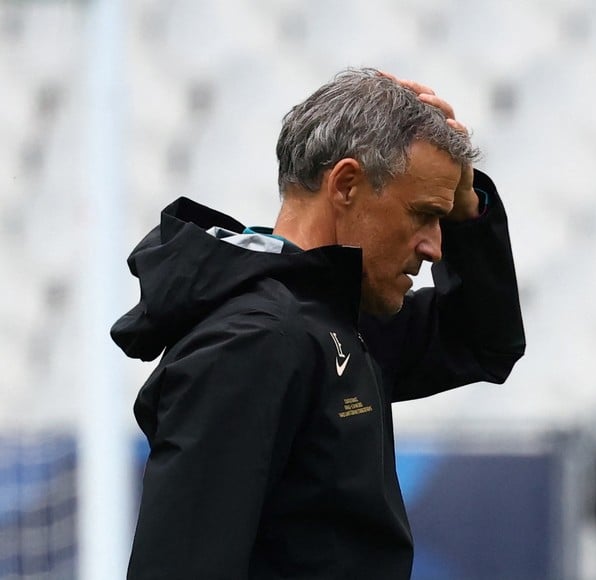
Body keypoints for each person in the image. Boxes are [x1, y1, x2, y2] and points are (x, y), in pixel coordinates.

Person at [112, 68, 525, 580]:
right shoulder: (258, 338)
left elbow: (485, 344)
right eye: (423, 214)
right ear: (346, 184)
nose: (435, 246)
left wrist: (470, 210)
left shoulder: (334, 318)